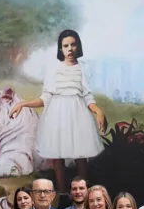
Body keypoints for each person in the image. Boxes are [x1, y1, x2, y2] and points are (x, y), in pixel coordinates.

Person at [9, 29, 106, 190]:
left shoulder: (83, 68)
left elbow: (87, 95)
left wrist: (97, 110)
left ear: (78, 46)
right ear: (60, 48)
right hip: (56, 115)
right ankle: (61, 192)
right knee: (57, 155)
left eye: (73, 45)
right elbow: (45, 97)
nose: (69, 49)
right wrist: (22, 104)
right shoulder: (53, 68)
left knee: (80, 155)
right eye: (65, 46)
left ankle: (83, 191)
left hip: (78, 114)